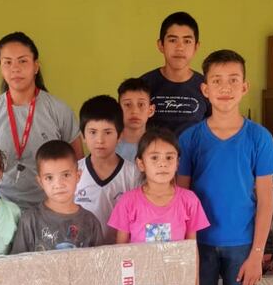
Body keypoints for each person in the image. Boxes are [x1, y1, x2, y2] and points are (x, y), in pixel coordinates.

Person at [177, 49, 273, 285]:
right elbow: (182, 199)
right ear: (205, 89)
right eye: (217, 81)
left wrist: (257, 254)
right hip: (200, 245)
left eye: (233, 80)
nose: (225, 88)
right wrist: (185, 252)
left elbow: (265, 201)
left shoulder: (259, 138)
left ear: (245, 87)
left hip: (241, 246)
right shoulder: (191, 139)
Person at [0, 32, 83, 209]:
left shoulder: (58, 110)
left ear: (36, 66)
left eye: (22, 61)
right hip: (0, 207)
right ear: (1, 67)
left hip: (49, 208)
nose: (15, 68)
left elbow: (78, 160)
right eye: (7, 62)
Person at [109, 127, 209, 244]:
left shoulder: (189, 200)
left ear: (177, 163)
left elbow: (191, 248)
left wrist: (195, 263)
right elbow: (121, 248)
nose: (163, 164)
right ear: (141, 164)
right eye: (154, 157)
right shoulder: (127, 201)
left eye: (169, 157)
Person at [12, 140, 103, 253]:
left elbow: (100, 265)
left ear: (78, 176)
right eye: (49, 178)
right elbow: (18, 265)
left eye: (66, 175)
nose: (58, 184)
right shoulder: (30, 221)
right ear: (40, 182)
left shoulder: (91, 222)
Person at [74, 95, 142, 243]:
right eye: (92, 132)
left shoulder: (133, 174)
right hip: (83, 253)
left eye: (108, 132)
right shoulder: (73, 172)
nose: (100, 140)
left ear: (120, 135)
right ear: (83, 136)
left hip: (121, 253)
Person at [141, 11, 210, 136]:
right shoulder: (143, 85)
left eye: (187, 41)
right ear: (161, 45)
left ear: (196, 47)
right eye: (172, 40)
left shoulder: (207, 88)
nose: (180, 47)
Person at [115, 77, 155, 162]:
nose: (134, 111)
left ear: (151, 110)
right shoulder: (107, 145)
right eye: (128, 105)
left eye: (141, 104)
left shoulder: (158, 146)